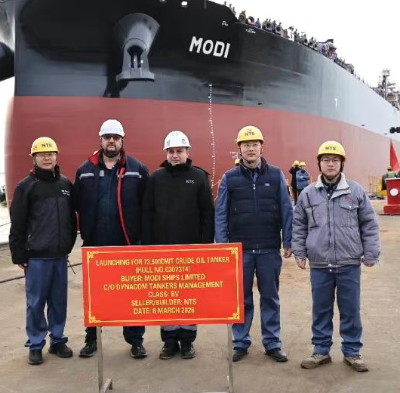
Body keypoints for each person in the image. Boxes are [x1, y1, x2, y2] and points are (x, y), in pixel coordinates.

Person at [292, 140, 381, 373]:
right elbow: (299, 225)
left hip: (348, 263)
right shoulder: (308, 194)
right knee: (321, 309)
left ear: (342, 164)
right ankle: (321, 351)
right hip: (320, 263)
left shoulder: (355, 191)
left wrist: (371, 252)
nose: (330, 164)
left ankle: (352, 352)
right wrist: (299, 252)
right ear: (319, 164)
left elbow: (369, 224)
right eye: (325, 160)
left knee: (350, 309)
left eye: (334, 160)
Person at [215, 125, 293, 363]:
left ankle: (272, 342)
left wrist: (288, 240)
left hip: (269, 248)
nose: (250, 149)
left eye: (254, 144)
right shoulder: (229, 178)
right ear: (239, 149)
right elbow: (221, 214)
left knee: (270, 297)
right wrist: (223, 246)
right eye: (246, 145)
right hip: (241, 250)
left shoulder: (276, 175)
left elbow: (286, 209)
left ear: (261, 147)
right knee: (241, 299)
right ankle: (240, 342)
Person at [73, 119, 150, 359]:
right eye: (107, 137)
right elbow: (76, 204)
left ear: (122, 141)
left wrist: (143, 240)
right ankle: (92, 339)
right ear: (101, 140)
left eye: (116, 137)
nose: (111, 141)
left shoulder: (137, 169)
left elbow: (147, 205)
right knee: (94, 294)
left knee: (132, 293)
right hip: (95, 243)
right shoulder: (85, 170)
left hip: (127, 242)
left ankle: (136, 341)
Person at [142, 130, 215, 360]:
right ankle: (169, 341)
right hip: (163, 250)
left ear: (187, 152)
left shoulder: (199, 177)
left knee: (189, 297)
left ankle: (187, 340)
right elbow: (147, 213)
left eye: (179, 151)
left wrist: (205, 246)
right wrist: (149, 247)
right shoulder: (156, 178)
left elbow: (207, 214)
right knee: (167, 297)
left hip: (191, 250)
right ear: (166, 153)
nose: (175, 155)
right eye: (171, 151)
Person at [9, 137, 78, 365]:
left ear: (56, 156)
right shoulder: (25, 187)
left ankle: (57, 340)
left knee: (59, 301)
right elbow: (17, 223)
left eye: (50, 154)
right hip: (36, 256)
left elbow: (71, 219)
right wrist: (19, 254)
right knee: (36, 303)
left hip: (59, 256)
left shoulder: (65, 184)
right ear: (34, 158)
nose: (47, 158)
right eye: (42, 155)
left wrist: (67, 245)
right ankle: (36, 343)